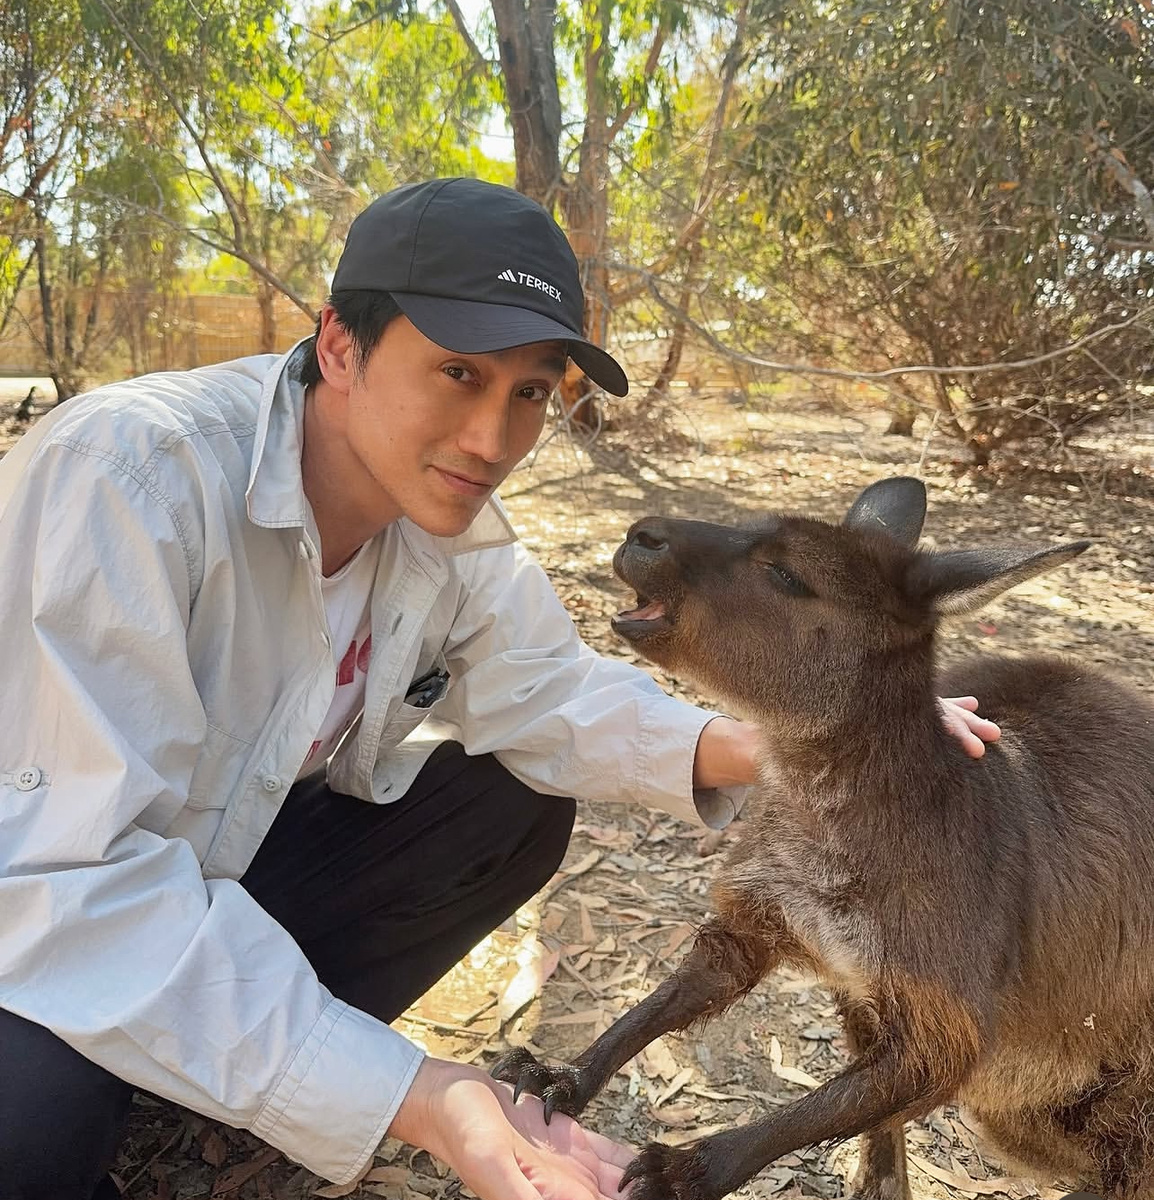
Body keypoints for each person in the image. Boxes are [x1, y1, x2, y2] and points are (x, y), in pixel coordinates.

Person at [0, 177, 999, 1200]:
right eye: (457, 373)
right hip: (39, 897)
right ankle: (186, 1072)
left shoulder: (440, 522)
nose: (491, 439)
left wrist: (773, 748)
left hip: (212, 867)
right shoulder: (128, 477)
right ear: (339, 345)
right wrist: (418, 1095)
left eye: (528, 391)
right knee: (28, 1144)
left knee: (505, 799)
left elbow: (547, 689)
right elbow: (71, 879)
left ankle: (205, 1072)